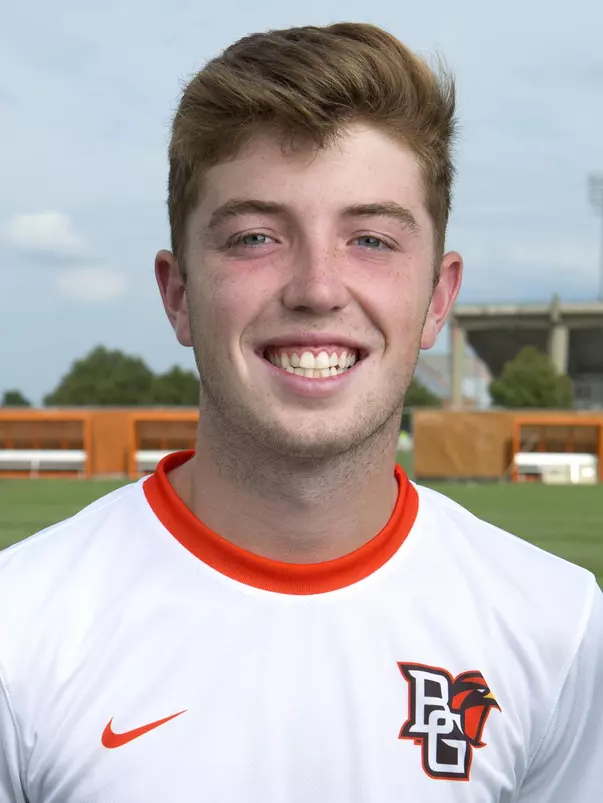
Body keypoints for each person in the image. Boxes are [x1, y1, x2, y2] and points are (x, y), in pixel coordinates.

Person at [0, 22, 601, 802]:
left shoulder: (558, 626)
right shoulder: (19, 628)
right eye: (255, 236)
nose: (317, 287)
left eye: (372, 239)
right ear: (178, 294)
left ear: (437, 298)